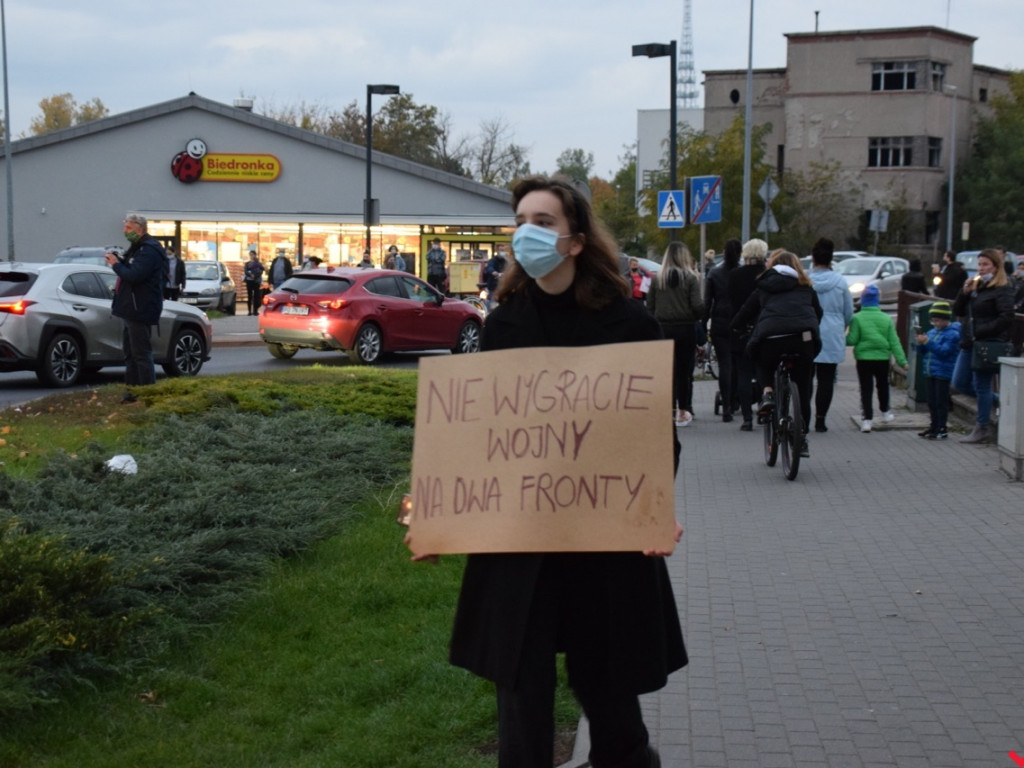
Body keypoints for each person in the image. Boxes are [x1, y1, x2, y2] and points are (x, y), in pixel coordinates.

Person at [410, 174, 686, 768]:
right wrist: (435, 515)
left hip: (602, 541)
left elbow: (654, 442)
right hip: (521, 543)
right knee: (521, 695)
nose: (525, 234)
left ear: (575, 241)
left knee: (609, 696)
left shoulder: (631, 327)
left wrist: (653, 505)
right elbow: (479, 439)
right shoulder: (503, 324)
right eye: (521, 222)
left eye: (542, 223)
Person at [731, 250, 821, 457]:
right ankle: (802, 436)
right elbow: (819, 313)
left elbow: (746, 312)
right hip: (802, 339)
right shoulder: (806, 288)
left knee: (762, 362)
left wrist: (735, 328)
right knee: (804, 389)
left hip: (771, 339)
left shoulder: (764, 287)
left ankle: (768, 392)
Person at [952, 247, 1016, 444]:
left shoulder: (1002, 288)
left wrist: (981, 331)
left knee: (981, 385)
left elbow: (1006, 317)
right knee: (960, 382)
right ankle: (998, 401)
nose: (981, 268)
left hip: (986, 342)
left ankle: (982, 428)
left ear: (996, 267)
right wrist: (964, 292)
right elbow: (958, 309)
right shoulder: (977, 286)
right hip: (969, 342)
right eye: (979, 264)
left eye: (985, 264)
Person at [104, 214, 165, 403]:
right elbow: (130, 269)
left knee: (141, 354)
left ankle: (148, 395)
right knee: (130, 354)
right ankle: (132, 393)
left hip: (140, 308)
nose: (125, 232)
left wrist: (116, 266)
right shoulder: (138, 248)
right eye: (125, 228)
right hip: (130, 307)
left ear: (140, 229)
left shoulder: (149, 250)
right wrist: (119, 261)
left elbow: (135, 275)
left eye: (129, 229)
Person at [646, 241, 705, 428]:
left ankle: (668, 410)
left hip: (663, 330)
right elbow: (697, 306)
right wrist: (701, 313)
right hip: (685, 329)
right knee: (684, 372)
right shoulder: (690, 278)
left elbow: (650, 306)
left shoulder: (658, 279)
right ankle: (683, 411)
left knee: (666, 372)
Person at [845, 284, 908, 433]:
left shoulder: (857, 318)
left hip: (864, 359)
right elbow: (894, 342)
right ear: (877, 301)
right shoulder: (886, 319)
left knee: (866, 389)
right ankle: (885, 412)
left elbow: (852, 340)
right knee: (883, 385)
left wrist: (844, 339)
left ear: (863, 300)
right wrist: (902, 361)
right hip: (882, 358)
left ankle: (867, 420)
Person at [807, 237, 854, 433]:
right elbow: (848, 311)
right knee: (826, 379)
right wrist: (840, 326)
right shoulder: (840, 282)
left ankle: (803, 417)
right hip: (832, 331)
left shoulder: (805, 280)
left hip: (808, 330)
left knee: (806, 378)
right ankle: (820, 419)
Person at [727, 239, 768, 430]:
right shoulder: (767, 275)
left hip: (740, 329)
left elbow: (730, 301)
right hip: (763, 330)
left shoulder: (735, 275)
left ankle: (746, 418)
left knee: (743, 374)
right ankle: (763, 410)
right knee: (762, 373)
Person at [703, 238, 741, 422]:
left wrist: (703, 325)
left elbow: (707, 302)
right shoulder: (742, 273)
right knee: (738, 363)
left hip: (720, 321)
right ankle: (735, 401)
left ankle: (726, 406)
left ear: (723, 253)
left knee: (725, 364)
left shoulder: (714, 273)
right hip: (740, 321)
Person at [913, 301, 961, 440]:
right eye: (933, 321)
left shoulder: (952, 335)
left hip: (943, 371)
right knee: (931, 401)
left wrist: (928, 342)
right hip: (930, 370)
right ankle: (934, 425)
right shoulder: (931, 332)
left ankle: (942, 428)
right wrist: (919, 343)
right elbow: (923, 351)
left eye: (938, 320)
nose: (935, 324)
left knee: (941, 402)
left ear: (946, 319)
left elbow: (944, 352)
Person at [480, 244, 508, 311]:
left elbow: (510, 266)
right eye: (501, 250)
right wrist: (494, 272)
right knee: (493, 303)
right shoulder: (493, 260)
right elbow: (489, 268)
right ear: (497, 251)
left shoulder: (506, 261)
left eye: (504, 250)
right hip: (494, 286)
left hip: (504, 286)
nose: (503, 252)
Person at [243, 248, 265, 315]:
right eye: (250, 255)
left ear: (255, 255)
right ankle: (249, 311)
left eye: (252, 255)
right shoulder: (247, 264)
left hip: (256, 281)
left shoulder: (258, 263)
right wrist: (250, 275)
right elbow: (245, 271)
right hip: (249, 281)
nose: (251, 256)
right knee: (249, 296)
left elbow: (262, 270)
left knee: (256, 296)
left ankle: (255, 311)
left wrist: (255, 275)